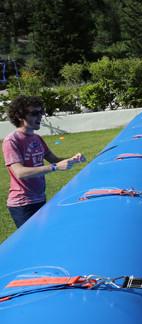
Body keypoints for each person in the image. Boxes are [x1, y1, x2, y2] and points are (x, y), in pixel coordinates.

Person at [3, 95, 85, 228]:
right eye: (35, 113)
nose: (40, 116)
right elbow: (20, 172)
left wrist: (73, 158)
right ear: (19, 116)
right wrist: (55, 167)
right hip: (23, 204)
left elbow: (54, 159)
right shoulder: (12, 141)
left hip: (40, 198)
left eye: (41, 112)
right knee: (32, 243)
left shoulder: (37, 138)